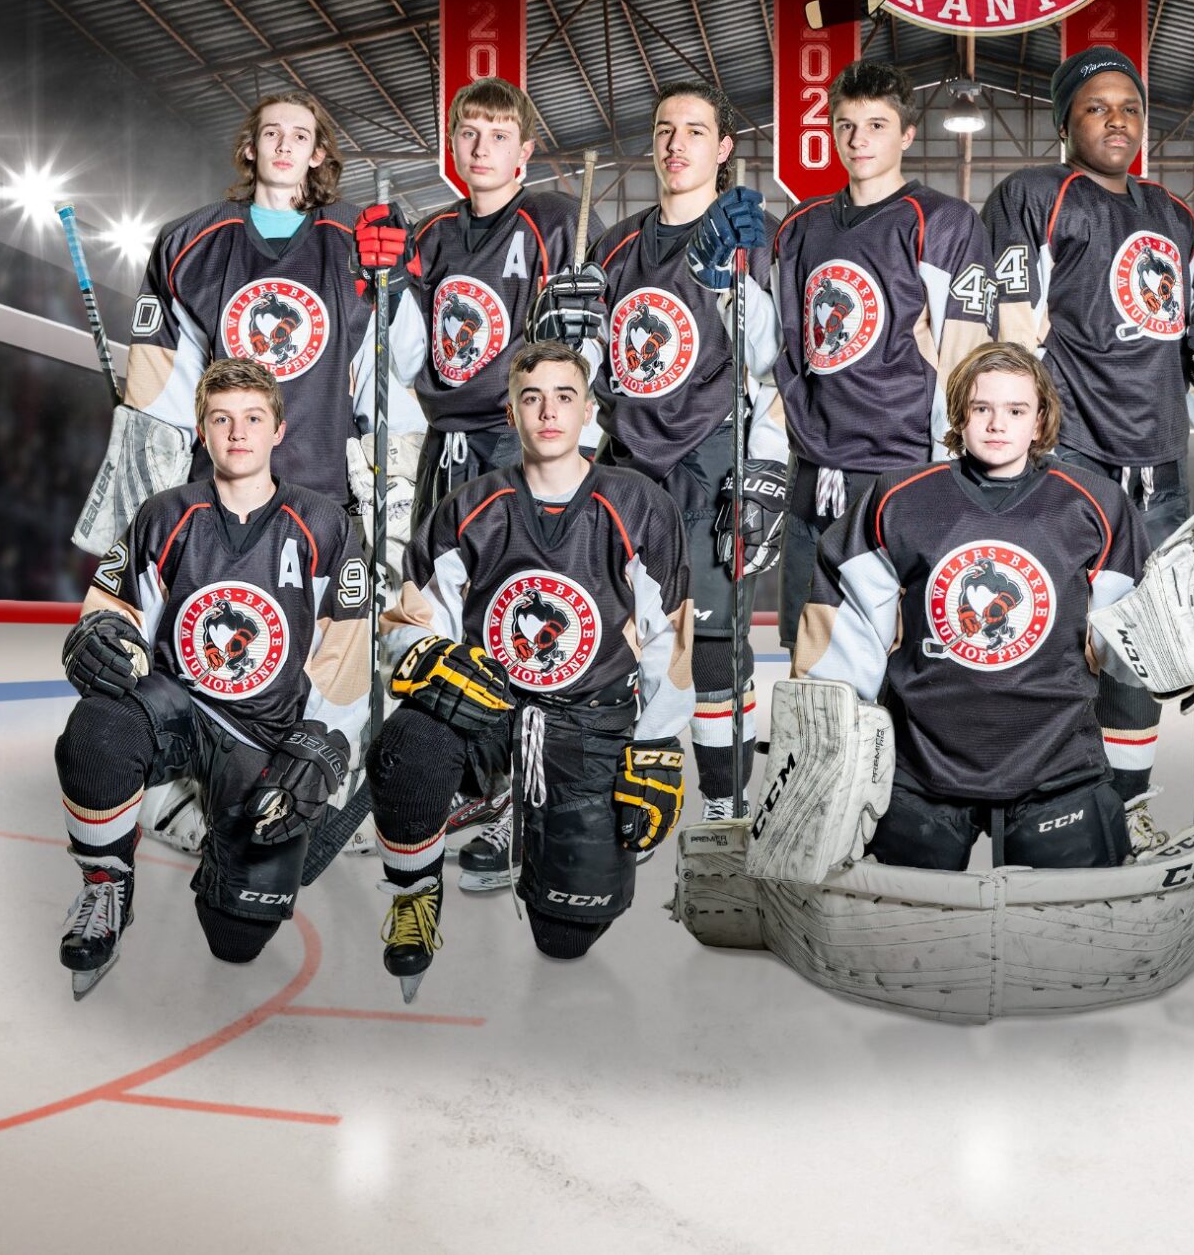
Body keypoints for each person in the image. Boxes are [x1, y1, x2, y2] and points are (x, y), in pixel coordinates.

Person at [983, 45, 1194, 838]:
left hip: (1161, 462)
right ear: (1067, 118)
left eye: (1130, 108)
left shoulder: (1174, 214)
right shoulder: (1034, 194)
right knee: (1059, 638)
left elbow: (1189, 339)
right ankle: (1045, 798)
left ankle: (1129, 805)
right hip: (1075, 458)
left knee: (1145, 637)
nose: (1117, 121)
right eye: (1097, 106)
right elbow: (1011, 331)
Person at [366, 342, 692, 997]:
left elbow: (669, 636)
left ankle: (528, 806)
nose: (548, 411)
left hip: (588, 717)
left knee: (565, 937)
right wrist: (432, 659)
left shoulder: (637, 506)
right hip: (487, 708)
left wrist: (658, 745)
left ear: (588, 413)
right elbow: (411, 621)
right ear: (510, 413)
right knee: (406, 748)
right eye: (532, 397)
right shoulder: (470, 506)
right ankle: (414, 894)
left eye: (564, 397)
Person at [53, 356, 373, 997]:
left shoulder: (328, 526)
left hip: (267, 732)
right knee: (97, 730)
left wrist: (325, 744)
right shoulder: (165, 514)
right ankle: (105, 885)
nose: (237, 432)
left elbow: (347, 648)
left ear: (278, 431)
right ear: (201, 430)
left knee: (237, 941)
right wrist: (99, 633)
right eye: (221, 419)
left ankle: (226, 836)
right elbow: (114, 608)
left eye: (253, 418)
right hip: (175, 703)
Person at [792, 343, 1149, 872]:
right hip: (921, 766)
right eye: (982, 408)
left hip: (1058, 763)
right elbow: (847, 634)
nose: (997, 424)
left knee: (1071, 942)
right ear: (960, 414)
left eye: (1016, 410)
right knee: (902, 943)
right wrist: (823, 750)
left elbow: (1127, 643)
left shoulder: (1095, 503)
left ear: (1041, 419)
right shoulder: (899, 498)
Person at [574, 79, 785, 828]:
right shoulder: (616, 244)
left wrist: (766, 465)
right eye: (665, 129)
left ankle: (727, 808)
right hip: (629, 466)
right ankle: (610, 794)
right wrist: (565, 336)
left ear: (722, 148)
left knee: (720, 646)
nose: (676, 144)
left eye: (696, 130)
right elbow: (593, 368)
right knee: (615, 637)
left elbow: (770, 362)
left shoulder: (751, 238)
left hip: (712, 460)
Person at [771, 60, 996, 650]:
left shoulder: (944, 222)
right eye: (846, 125)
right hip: (813, 475)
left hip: (899, 474)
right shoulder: (799, 227)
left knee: (902, 660)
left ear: (906, 135)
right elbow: (782, 351)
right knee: (809, 658)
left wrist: (955, 475)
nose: (858, 139)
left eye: (876, 124)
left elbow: (966, 358)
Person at [123, 90, 422, 506]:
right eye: (272, 133)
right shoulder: (190, 242)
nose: (284, 145)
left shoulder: (358, 238)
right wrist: (145, 501)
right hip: (218, 492)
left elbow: (392, 370)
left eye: (300, 136)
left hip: (326, 492)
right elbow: (164, 384)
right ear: (250, 147)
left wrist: (400, 494)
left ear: (317, 154)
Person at [388, 75, 603, 531]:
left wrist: (572, 351)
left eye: (499, 136)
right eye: (470, 134)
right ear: (452, 143)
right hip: (443, 442)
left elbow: (595, 339)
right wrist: (386, 285)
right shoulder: (429, 233)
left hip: (520, 436)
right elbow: (409, 362)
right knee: (436, 586)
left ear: (524, 152)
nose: (482, 149)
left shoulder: (557, 221)